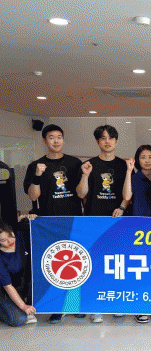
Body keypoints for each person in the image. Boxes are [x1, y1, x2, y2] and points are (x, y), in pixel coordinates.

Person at [23, 124, 83, 324]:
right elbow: (33, 195)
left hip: (72, 220)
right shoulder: (35, 165)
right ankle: (57, 307)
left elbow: (82, 193)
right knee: (54, 265)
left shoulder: (74, 163)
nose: (56, 141)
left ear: (63, 139)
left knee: (76, 262)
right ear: (44, 140)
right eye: (51, 137)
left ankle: (74, 304)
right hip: (47, 223)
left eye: (59, 137)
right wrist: (38, 175)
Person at [76, 125, 131, 323]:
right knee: (96, 263)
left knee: (117, 263)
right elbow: (81, 194)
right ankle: (96, 306)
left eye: (111, 138)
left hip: (117, 222)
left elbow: (128, 195)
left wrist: (122, 207)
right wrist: (85, 175)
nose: (107, 142)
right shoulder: (89, 165)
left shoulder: (123, 165)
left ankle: (116, 302)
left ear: (116, 141)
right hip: (94, 220)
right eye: (103, 138)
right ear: (98, 141)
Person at [123, 145, 151, 324]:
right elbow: (126, 196)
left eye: (150, 157)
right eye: (143, 157)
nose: (147, 160)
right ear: (137, 160)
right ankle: (140, 307)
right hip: (138, 227)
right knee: (140, 268)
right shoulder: (134, 177)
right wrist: (128, 171)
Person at [0, 215, 37, 327]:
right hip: (4, 290)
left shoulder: (20, 237)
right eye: (3, 240)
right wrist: (23, 306)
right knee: (19, 319)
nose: (10, 241)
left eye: (10, 235)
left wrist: (30, 218)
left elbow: (34, 228)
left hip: (22, 285)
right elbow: (7, 286)